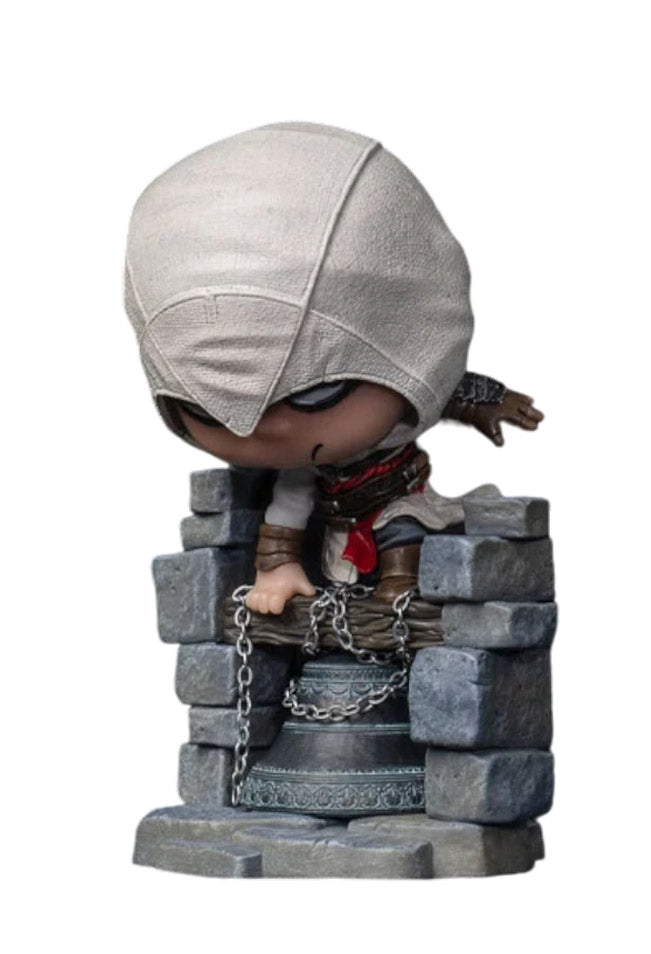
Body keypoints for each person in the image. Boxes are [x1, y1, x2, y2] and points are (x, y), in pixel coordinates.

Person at [124, 122, 542, 614]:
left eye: (316, 394)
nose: (266, 425)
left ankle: (400, 596)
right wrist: (276, 568)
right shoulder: (300, 473)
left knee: (403, 533)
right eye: (210, 409)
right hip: (334, 511)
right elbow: (287, 512)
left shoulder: (402, 365)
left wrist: (486, 398)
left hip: (398, 493)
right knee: (308, 507)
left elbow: (440, 385)